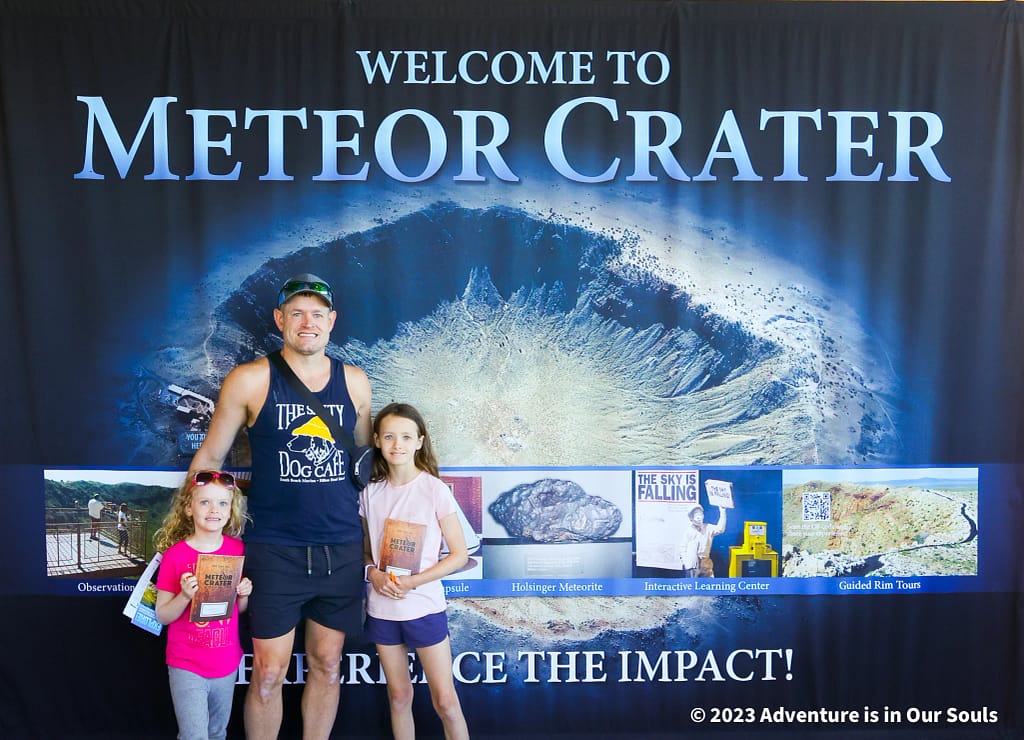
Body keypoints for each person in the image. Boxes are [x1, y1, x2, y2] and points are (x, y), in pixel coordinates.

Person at [186, 273, 372, 740]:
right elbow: (210, 458)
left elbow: (366, 466)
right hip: (274, 549)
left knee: (328, 665)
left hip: (341, 549)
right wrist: (189, 538)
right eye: (296, 313)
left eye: (316, 314)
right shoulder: (249, 379)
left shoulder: (355, 381)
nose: (306, 323)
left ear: (331, 321)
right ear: (279, 319)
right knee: (268, 673)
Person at [360, 403, 469, 740]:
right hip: (382, 610)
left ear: (420, 441)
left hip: (424, 607)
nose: (398, 445)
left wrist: (413, 582)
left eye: (406, 437)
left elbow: (459, 555)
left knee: (446, 702)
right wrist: (373, 575)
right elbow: (366, 552)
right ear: (377, 440)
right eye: (389, 436)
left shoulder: (434, 489)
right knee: (398, 696)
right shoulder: (369, 493)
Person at [154, 470, 253, 740]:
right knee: (194, 736)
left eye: (222, 503)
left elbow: (237, 611)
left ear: (230, 510)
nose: (214, 510)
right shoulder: (175, 556)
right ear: (189, 508)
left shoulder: (238, 549)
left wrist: (243, 594)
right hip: (187, 665)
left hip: (226, 662)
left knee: (217, 732)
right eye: (205, 502)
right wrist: (185, 595)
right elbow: (162, 615)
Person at [680, 504, 728, 577]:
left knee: (708, 585)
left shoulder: (708, 528)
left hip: (706, 563)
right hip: (692, 565)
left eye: (700, 514)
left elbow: (720, 529)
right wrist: (686, 564)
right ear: (691, 518)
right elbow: (683, 548)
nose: (699, 517)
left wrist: (722, 512)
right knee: (693, 585)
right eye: (695, 514)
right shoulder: (688, 532)